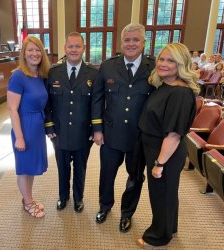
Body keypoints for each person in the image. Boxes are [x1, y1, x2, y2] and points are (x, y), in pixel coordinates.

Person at [91, 23, 155, 232]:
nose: (131, 44)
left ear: (143, 43)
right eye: (127, 39)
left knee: (135, 177)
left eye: (136, 40)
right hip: (111, 133)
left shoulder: (154, 68)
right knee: (107, 174)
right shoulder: (108, 66)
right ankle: (104, 206)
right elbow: (97, 99)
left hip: (138, 136)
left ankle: (127, 213)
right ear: (121, 42)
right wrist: (97, 129)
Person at [137, 43, 198, 248]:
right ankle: (169, 227)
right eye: (161, 59)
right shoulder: (166, 85)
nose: (163, 64)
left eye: (170, 60)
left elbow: (173, 134)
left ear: (181, 64)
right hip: (156, 147)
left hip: (165, 152)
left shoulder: (180, 93)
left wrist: (159, 164)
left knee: (161, 194)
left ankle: (158, 237)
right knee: (168, 192)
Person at [44, 32, 98, 213]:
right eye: (70, 46)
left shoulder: (93, 74)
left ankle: (78, 198)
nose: (74, 49)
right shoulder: (52, 73)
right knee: (63, 167)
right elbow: (47, 103)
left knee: (80, 168)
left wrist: (96, 128)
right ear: (65, 49)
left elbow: (97, 104)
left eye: (78, 46)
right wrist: (49, 125)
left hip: (84, 132)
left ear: (84, 48)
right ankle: (63, 196)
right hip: (59, 132)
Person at [7, 36, 50, 218]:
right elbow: (12, 109)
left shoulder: (40, 75)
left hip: (37, 127)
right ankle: (28, 202)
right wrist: (20, 137)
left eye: (38, 49)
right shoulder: (18, 76)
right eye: (30, 50)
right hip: (24, 127)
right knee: (24, 168)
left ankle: (28, 198)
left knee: (31, 167)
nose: (34, 53)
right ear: (23, 54)